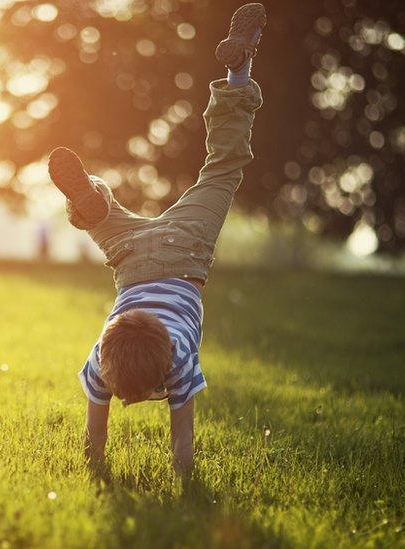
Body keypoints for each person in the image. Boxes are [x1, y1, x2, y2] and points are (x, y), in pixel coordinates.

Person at [48, 3, 266, 476]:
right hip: (131, 258)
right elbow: (170, 442)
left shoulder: (171, 361)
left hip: (184, 250)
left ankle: (237, 73)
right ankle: (92, 204)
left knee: (223, 170)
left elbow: (109, 439)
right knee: (109, 214)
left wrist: (97, 472)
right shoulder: (102, 358)